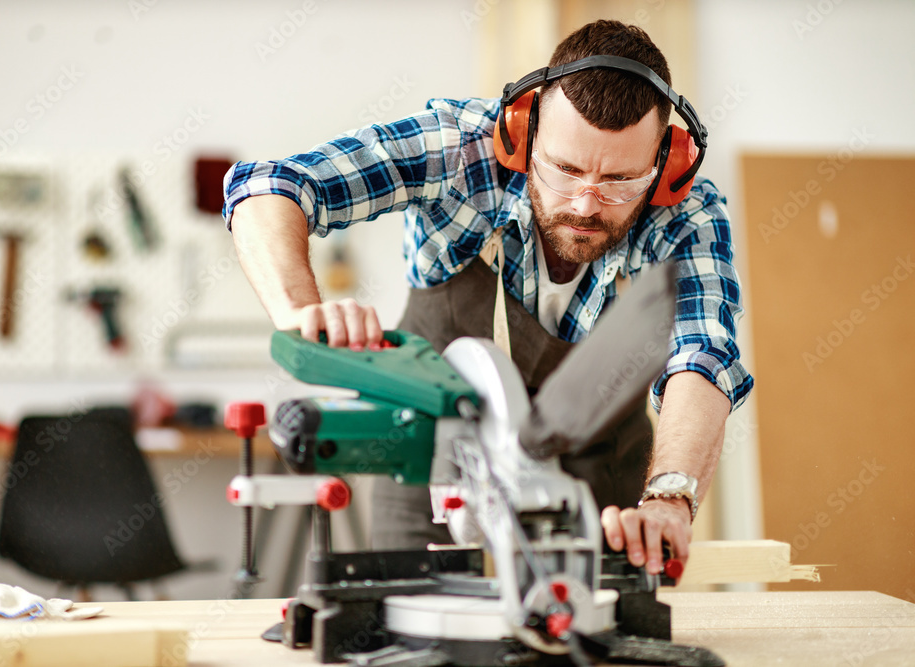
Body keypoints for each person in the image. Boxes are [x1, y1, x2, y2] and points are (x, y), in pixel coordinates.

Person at [222, 20, 753, 575]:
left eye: (620, 180)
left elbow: (704, 355)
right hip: (437, 464)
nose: (586, 204)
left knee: (588, 637)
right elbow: (269, 186)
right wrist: (305, 313)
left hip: (597, 487)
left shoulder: (688, 216)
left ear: (665, 164)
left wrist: (669, 498)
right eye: (565, 169)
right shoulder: (459, 150)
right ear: (524, 134)